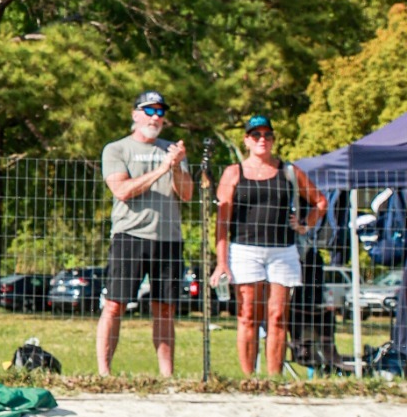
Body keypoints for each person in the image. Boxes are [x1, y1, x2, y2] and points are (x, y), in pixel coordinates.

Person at [208, 114, 326, 377]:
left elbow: (320, 201)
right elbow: (222, 222)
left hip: (282, 250)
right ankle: (249, 377)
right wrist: (222, 262)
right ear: (246, 140)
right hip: (244, 250)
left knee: (278, 316)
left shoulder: (289, 171)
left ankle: (274, 378)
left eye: (267, 135)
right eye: (256, 135)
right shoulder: (233, 173)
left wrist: (305, 224)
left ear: (273, 139)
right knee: (248, 314)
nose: (262, 139)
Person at [97, 90, 194, 378]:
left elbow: (186, 194)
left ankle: (167, 377)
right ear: (135, 114)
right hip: (130, 235)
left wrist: (176, 167)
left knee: (164, 310)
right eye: (149, 110)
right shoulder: (117, 149)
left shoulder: (173, 150)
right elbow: (122, 190)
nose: (155, 117)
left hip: (168, 238)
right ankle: (104, 374)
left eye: (160, 112)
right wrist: (162, 169)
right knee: (115, 305)